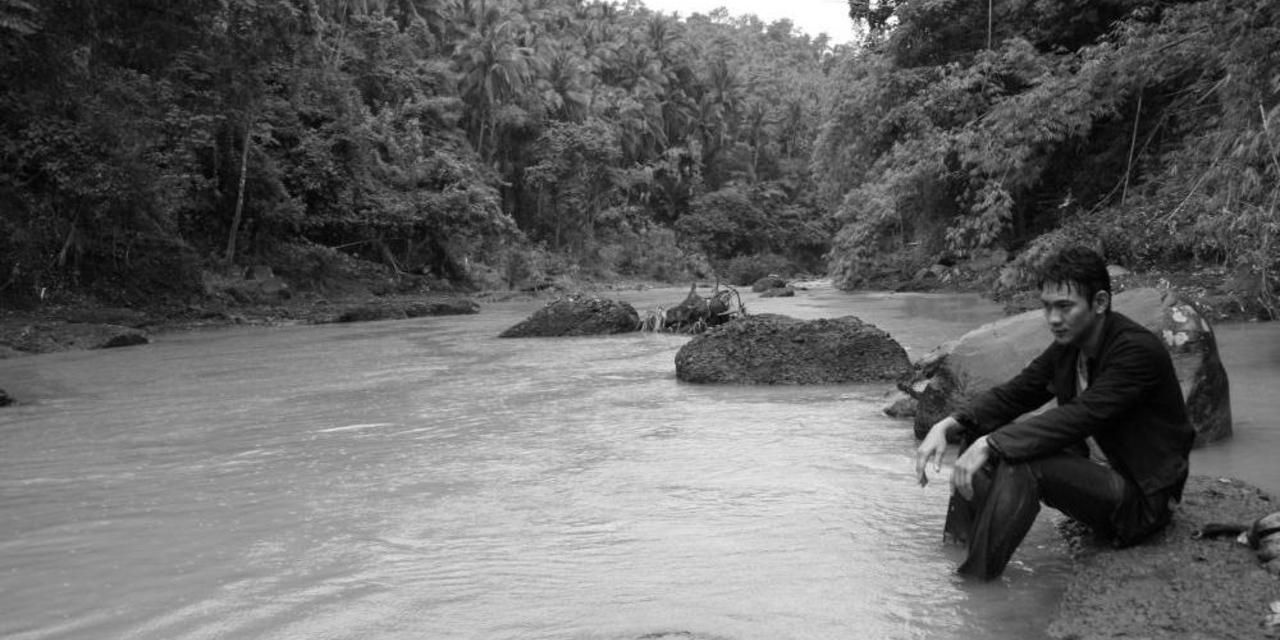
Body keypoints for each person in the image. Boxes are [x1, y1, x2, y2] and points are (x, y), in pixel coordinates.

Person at [914, 246, 1195, 580]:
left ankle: (974, 581)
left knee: (1018, 457)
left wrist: (993, 443)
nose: (1053, 319)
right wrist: (950, 424)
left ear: (1100, 303)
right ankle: (957, 546)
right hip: (1096, 474)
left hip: (1141, 500)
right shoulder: (1069, 348)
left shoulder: (1135, 351)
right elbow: (1016, 393)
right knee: (981, 433)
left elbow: (1082, 415)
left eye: (1065, 307)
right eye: (1046, 307)